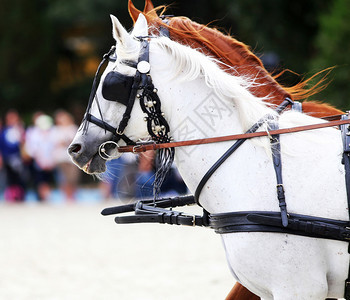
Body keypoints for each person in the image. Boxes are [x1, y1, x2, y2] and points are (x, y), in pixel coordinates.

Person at [25, 113, 56, 201]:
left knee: (48, 180)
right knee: (40, 180)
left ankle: (46, 197)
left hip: (50, 162)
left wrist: (50, 161)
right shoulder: (33, 132)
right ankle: (43, 197)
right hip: (39, 162)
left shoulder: (52, 132)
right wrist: (41, 160)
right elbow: (31, 149)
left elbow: (54, 147)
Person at [52, 110, 80, 201]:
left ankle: (73, 195)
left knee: (73, 178)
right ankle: (66, 196)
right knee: (63, 179)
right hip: (61, 158)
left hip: (72, 158)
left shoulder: (73, 128)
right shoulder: (56, 129)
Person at [0, 110, 27, 202]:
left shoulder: (20, 130)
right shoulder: (4, 131)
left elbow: (24, 144)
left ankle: (19, 196)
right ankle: (11, 196)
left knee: (20, 178)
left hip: (18, 158)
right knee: (9, 178)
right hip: (7, 158)